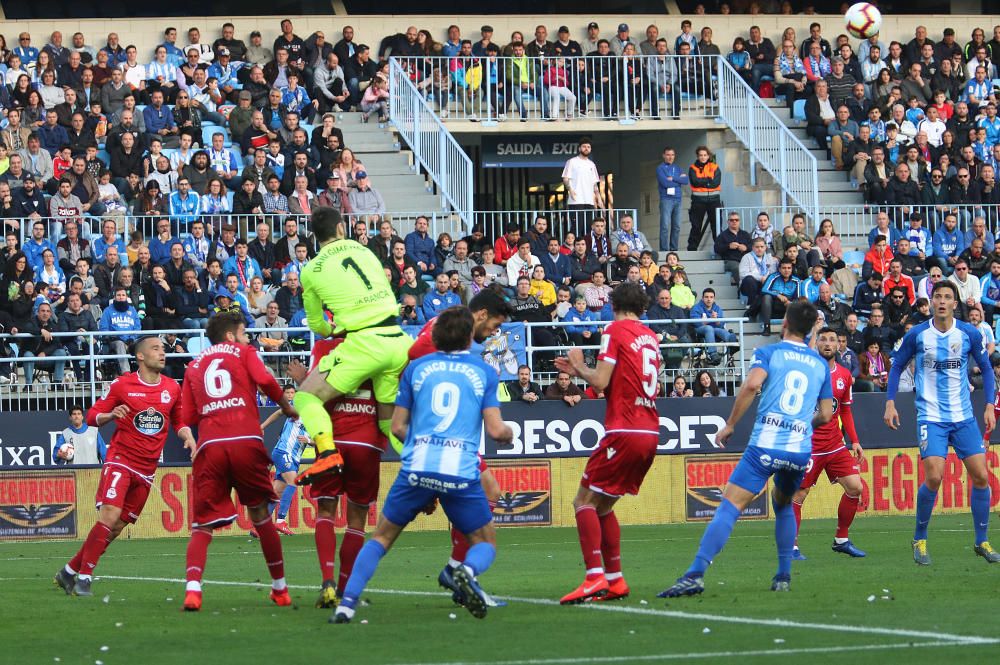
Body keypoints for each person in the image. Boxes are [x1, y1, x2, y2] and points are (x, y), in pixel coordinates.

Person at [332, 307, 512, 623]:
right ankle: (465, 571)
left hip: (417, 467)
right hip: (459, 472)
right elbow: (497, 431)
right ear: (469, 337)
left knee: (381, 537)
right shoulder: (484, 372)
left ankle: (346, 605)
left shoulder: (416, 368)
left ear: (436, 336)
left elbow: (398, 427)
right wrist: (509, 433)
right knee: (485, 542)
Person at [660, 300, 834, 597]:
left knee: (730, 504)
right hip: (799, 450)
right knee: (782, 506)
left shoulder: (769, 353)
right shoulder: (820, 364)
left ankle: (696, 573)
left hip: (765, 445)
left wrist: (729, 424)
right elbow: (827, 415)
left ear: (785, 325)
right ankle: (783, 575)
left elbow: (752, 386)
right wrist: (803, 425)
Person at [54, 337, 193, 597]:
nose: (162, 353)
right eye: (156, 349)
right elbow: (94, 416)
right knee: (109, 515)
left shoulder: (172, 388)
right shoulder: (122, 384)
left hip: (147, 469)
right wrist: (111, 414)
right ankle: (84, 579)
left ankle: (69, 571)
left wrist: (188, 437)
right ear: (140, 356)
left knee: (117, 527)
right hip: (121, 459)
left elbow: (179, 419)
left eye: (163, 349)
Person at [179, 312, 298, 611]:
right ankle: (280, 590)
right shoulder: (245, 352)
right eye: (244, 332)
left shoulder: (194, 365)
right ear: (231, 335)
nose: (247, 338)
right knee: (260, 517)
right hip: (246, 442)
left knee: (202, 526)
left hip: (211, 446)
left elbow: (188, 417)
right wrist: (286, 407)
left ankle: (193, 590)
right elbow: (267, 382)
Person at [555, 283, 660, 604]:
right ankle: (615, 580)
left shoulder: (614, 329)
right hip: (650, 431)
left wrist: (579, 367)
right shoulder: (651, 338)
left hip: (623, 429)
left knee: (583, 502)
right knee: (604, 506)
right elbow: (624, 380)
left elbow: (599, 382)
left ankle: (593, 577)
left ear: (613, 304)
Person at [293, 207, 412, 484]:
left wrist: (332, 329)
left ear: (315, 236)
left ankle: (326, 453)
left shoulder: (310, 270)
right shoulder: (366, 251)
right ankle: (424, 471)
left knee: (305, 397)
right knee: (388, 423)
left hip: (365, 343)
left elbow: (316, 324)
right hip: (398, 338)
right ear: (341, 229)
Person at [885, 280, 1000, 565]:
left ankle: (981, 541)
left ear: (954, 303)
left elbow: (986, 369)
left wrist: (988, 405)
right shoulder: (919, 335)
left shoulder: (969, 333)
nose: (942, 301)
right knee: (934, 477)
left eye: (948, 297)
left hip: (962, 417)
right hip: (931, 416)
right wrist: (890, 403)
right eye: (937, 296)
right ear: (932, 301)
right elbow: (897, 364)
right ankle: (920, 538)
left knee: (981, 477)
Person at [790, 327, 866, 560]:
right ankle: (790, 547)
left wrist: (854, 440)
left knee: (855, 487)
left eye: (832, 340)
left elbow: (845, 410)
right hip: (809, 445)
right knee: (798, 496)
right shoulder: (804, 372)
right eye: (823, 339)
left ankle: (841, 539)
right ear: (816, 344)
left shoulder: (844, 375)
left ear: (838, 345)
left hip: (834, 444)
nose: (828, 343)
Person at [257, 385, 310, 537]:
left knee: (277, 492)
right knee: (294, 481)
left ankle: (261, 526)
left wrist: (309, 440)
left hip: (294, 457)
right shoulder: (296, 407)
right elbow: (279, 412)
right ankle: (281, 521)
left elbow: (319, 439)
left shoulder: (316, 418)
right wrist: (262, 426)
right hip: (283, 452)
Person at [686, 146, 721, 252]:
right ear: (697, 156)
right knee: (696, 226)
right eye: (701, 155)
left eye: (705, 155)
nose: (703, 157)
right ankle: (692, 249)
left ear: (708, 156)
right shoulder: (693, 168)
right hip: (698, 201)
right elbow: (694, 182)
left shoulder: (715, 167)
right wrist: (708, 180)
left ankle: (720, 248)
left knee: (716, 226)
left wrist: (702, 181)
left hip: (714, 200)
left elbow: (716, 183)